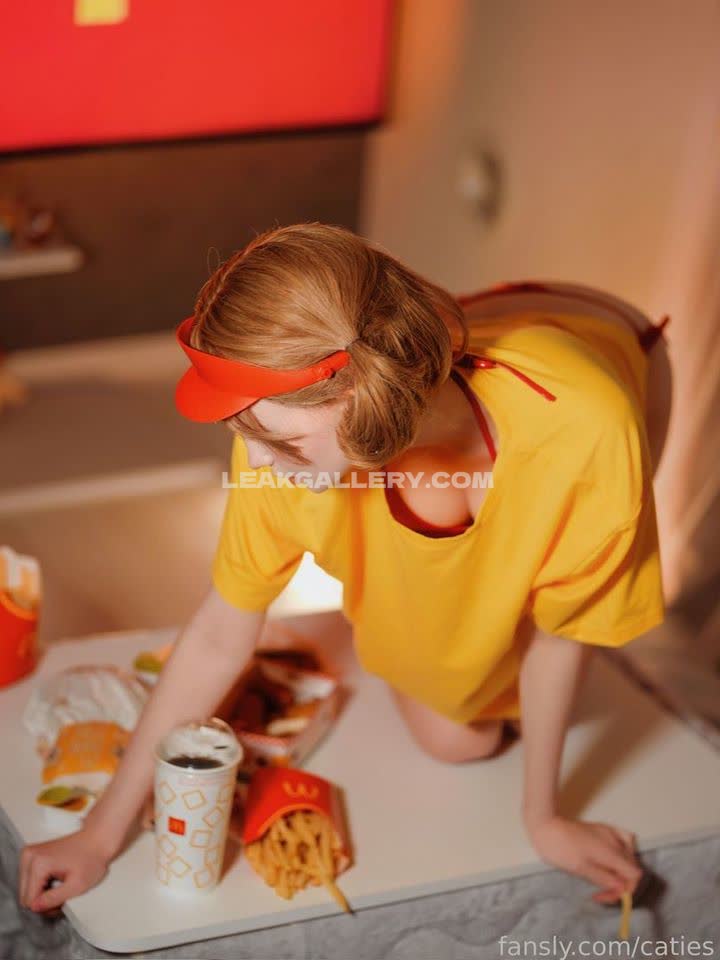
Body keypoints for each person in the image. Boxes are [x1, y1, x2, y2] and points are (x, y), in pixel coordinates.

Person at [18, 222, 668, 913]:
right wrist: (98, 835)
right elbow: (218, 635)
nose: (256, 463)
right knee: (456, 741)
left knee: (546, 614)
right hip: (443, 340)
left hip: (610, 348)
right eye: (248, 435)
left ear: (361, 399)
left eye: (283, 442)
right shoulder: (271, 438)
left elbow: (561, 637)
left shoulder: (589, 433)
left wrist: (544, 817)